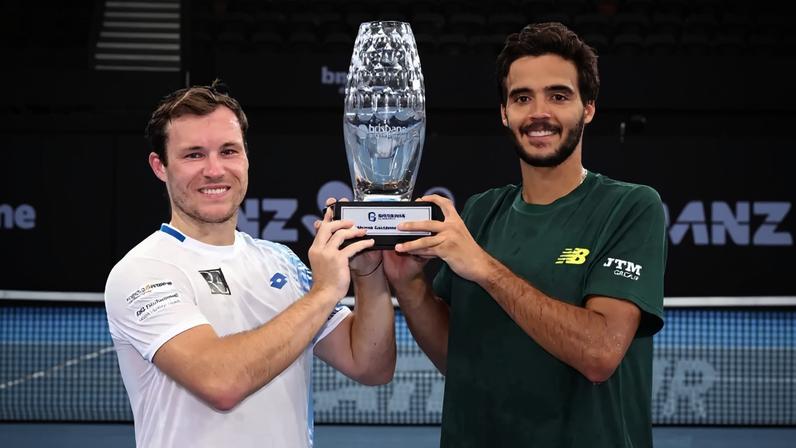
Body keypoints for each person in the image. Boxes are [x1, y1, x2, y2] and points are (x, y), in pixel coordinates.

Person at [383, 22, 667, 447]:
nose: (538, 113)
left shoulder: (630, 207)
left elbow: (599, 354)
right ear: (504, 113)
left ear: (588, 107)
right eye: (522, 98)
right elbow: (458, 357)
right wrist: (408, 285)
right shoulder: (481, 211)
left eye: (558, 95)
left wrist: (486, 269)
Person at [104, 81, 395, 448]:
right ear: (159, 166)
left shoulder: (282, 262)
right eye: (194, 154)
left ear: (245, 157)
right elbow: (221, 382)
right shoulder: (143, 270)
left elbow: (370, 365)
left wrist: (367, 273)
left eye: (228, 151)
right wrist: (325, 291)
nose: (214, 170)